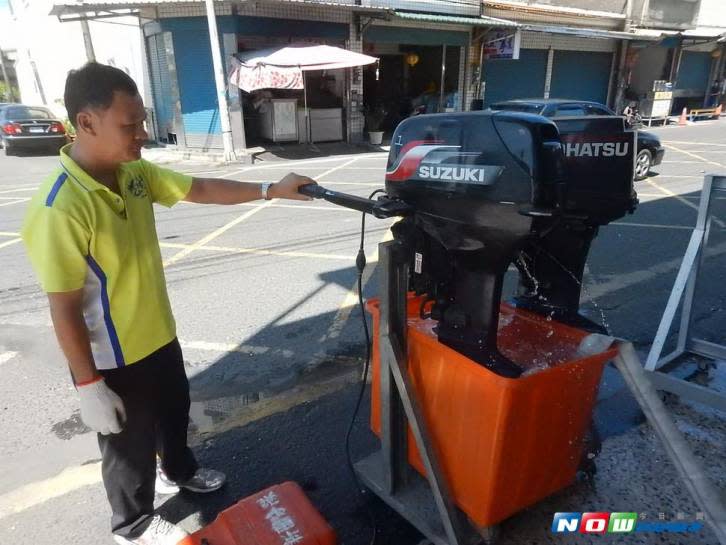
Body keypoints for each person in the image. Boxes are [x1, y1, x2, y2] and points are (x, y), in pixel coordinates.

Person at [20, 62, 317, 545]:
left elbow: (197, 188)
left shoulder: (134, 172)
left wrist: (270, 189)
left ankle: (178, 472)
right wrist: (87, 385)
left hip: (159, 333)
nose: (142, 134)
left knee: (174, 416)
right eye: (129, 125)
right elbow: (64, 306)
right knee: (127, 445)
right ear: (86, 122)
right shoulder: (60, 207)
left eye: (142, 121)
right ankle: (132, 524)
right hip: (113, 357)